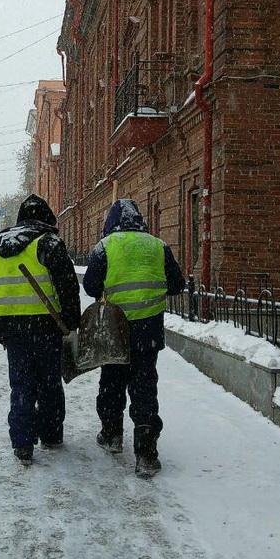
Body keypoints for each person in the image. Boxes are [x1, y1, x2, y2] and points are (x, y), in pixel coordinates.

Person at [82, 199, 185, 478]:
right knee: (144, 387)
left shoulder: (105, 247)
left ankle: (112, 434)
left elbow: (90, 285)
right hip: (148, 332)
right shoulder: (158, 246)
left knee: (112, 381)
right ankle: (147, 454)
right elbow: (177, 284)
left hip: (116, 329)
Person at [0, 194, 81, 466]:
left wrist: (1, 328)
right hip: (46, 328)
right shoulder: (49, 243)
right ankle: (50, 433)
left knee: (21, 384)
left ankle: (22, 443)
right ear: (47, 218)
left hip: (12, 330)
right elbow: (68, 289)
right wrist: (71, 324)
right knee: (49, 381)